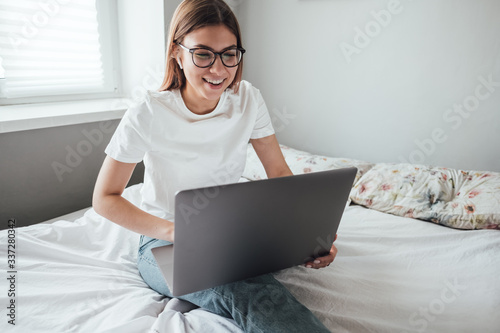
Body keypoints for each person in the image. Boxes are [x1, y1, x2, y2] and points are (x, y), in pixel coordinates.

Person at [92, 0, 337, 332]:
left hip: (232, 231)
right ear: (177, 52)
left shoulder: (248, 98)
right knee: (242, 288)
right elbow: (105, 198)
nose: (219, 70)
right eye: (203, 54)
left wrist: (308, 235)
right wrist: (176, 232)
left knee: (251, 271)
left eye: (230, 54)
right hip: (163, 241)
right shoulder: (148, 111)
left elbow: (279, 173)